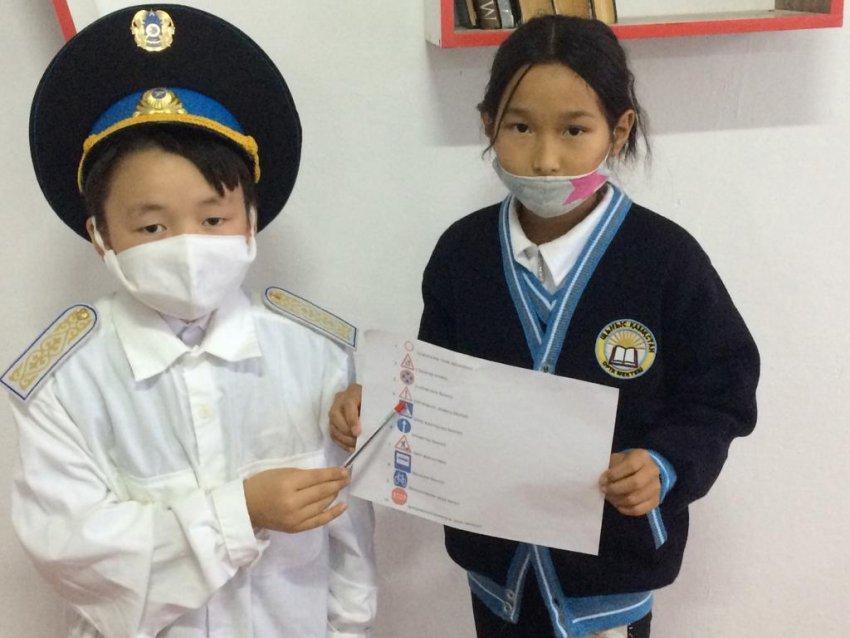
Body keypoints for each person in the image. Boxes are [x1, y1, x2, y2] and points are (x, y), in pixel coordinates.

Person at [330, 15, 759, 638]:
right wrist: (375, 406)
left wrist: (665, 464)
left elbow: (721, 393)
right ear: (488, 125)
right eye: (521, 127)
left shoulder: (665, 259)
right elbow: (436, 383)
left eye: (574, 130)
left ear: (619, 130)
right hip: (495, 567)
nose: (546, 157)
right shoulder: (462, 254)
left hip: (609, 572)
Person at [4, 6, 375, 637]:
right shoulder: (65, 379)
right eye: (152, 226)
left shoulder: (317, 354)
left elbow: (351, 539)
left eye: (213, 219)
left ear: (250, 220)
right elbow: (72, 550)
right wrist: (240, 514)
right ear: (100, 235)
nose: (187, 246)